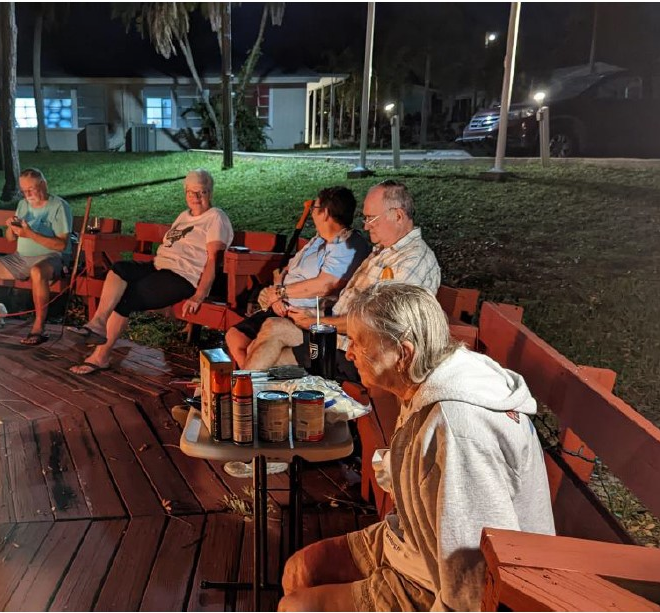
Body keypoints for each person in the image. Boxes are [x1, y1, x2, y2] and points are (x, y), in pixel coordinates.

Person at [278, 283, 556, 612]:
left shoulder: (458, 430)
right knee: (300, 570)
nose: (349, 353)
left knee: (296, 607)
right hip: (414, 544)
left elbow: (472, 577)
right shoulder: (430, 381)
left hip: (439, 579)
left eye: (359, 342)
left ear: (403, 353)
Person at [244, 179, 441, 380]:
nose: (366, 226)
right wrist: (313, 316)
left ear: (398, 215)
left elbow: (375, 322)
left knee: (271, 350)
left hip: (356, 354)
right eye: (364, 218)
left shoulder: (413, 260)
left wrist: (315, 322)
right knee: (265, 340)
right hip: (337, 338)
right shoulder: (384, 251)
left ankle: (241, 395)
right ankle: (242, 394)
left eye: (371, 218)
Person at [67, 169, 233, 374]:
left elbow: (214, 260)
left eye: (202, 192)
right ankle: (98, 324)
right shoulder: (184, 216)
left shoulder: (216, 217)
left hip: (183, 277)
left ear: (210, 192)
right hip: (159, 267)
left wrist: (199, 295)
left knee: (126, 297)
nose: (196, 197)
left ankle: (101, 357)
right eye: (191, 192)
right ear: (185, 193)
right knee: (120, 269)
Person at [225, 186, 368, 369]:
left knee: (254, 347)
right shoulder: (317, 240)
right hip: (281, 305)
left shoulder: (346, 245)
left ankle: (246, 380)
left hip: (301, 314)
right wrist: (276, 292)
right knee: (235, 337)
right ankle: (248, 377)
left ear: (325, 213)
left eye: (314, 208)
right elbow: (284, 270)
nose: (311, 212)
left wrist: (281, 293)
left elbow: (325, 285)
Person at [0, 168, 72, 345]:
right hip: (21, 258)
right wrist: (11, 227)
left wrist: (29, 233)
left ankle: (39, 327)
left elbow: (61, 245)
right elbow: (10, 239)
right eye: (24, 191)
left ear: (43, 185)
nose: (28, 195)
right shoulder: (23, 205)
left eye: (31, 189)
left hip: (51, 257)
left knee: (37, 272)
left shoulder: (59, 206)